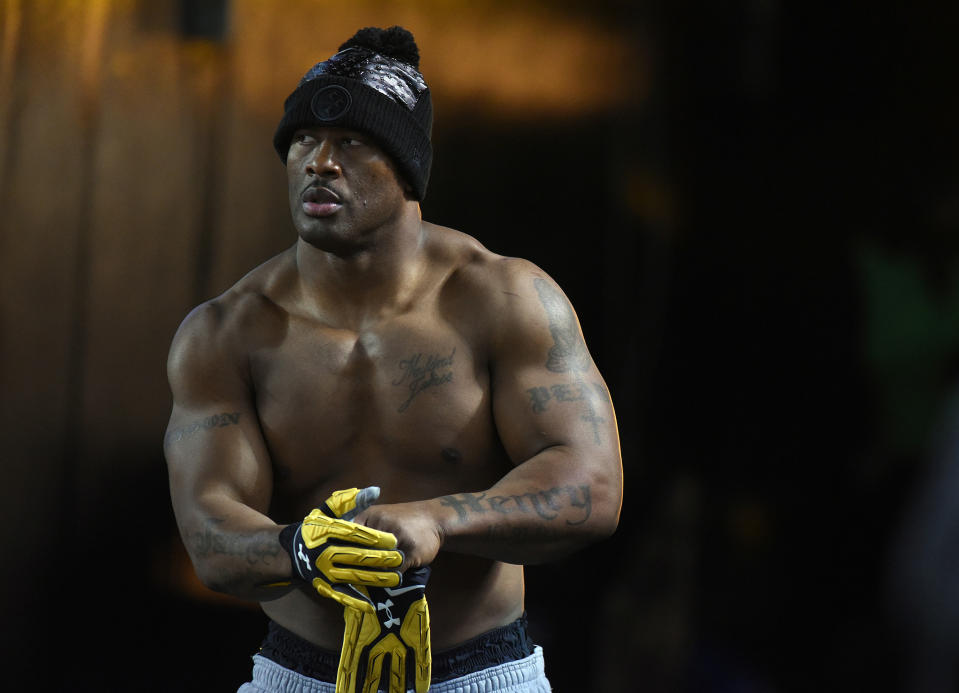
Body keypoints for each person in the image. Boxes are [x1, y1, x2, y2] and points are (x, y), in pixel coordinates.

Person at [164, 25, 623, 693]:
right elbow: (208, 530)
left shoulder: (505, 299)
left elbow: (594, 488)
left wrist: (435, 518)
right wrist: (299, 549)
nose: (319, 162)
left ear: (407, 168)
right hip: (302, 674)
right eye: (301, 143)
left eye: (350, 143)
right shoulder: (227, 332)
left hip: (482, 674)